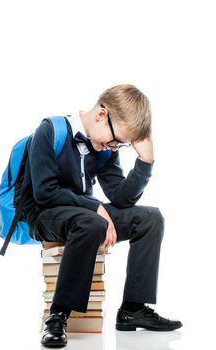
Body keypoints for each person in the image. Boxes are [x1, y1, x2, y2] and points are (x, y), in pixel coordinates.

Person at [22, 84, 182, 347]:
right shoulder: (49, 131)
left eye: (122, 145)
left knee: (151, 218)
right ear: (101, 115)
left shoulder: (105, 149)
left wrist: (146, 163)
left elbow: (121, 198)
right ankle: (58, 315)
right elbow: (45, 193)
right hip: (45, 214)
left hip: (84, 216)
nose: (114, 147)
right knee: (92, 221)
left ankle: (133, 309)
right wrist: (94, 206)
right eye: (117, 140)